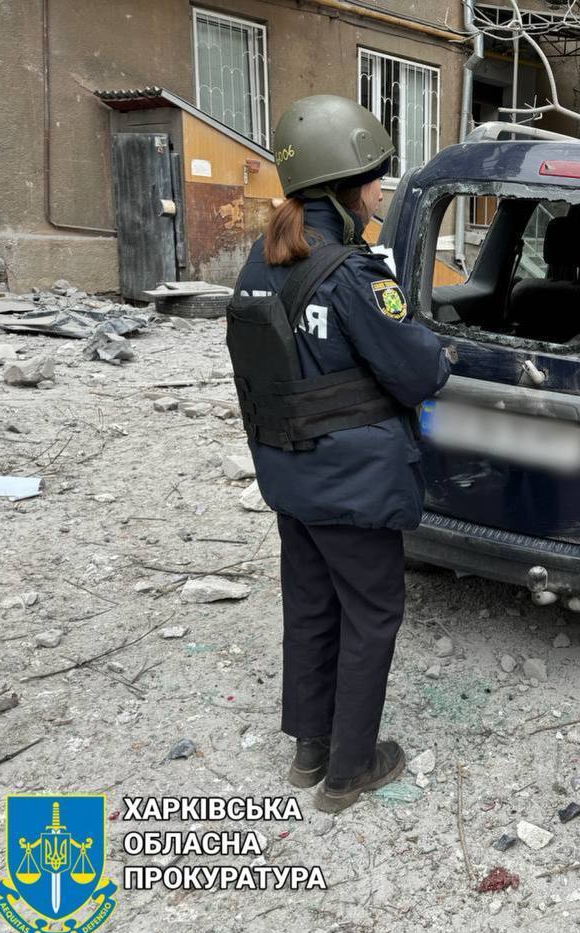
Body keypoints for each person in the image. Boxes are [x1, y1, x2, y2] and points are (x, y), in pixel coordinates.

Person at [228, 95, 450, 814]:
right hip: (355, 486)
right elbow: (418, 373)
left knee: (311, 608)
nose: (382, 190)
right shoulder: (355, 274)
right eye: (376, 177)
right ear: (345, 185)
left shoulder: (260, 264)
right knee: (371, 614)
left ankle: (309, 748)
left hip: (291, 475)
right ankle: (352, 767)